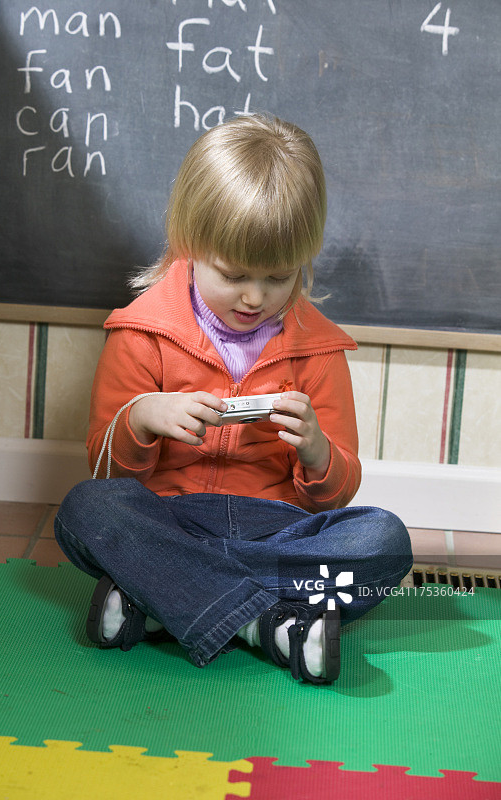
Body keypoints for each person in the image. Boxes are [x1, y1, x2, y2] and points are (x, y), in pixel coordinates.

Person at [55, 113, 412, 685]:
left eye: (278, 278)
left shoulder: (318, 351)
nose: (254, 297)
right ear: (190, 246)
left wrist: (317, 450)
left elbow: (338, 493)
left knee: (384, 541)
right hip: (170, 519)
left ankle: (162, 596)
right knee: (84, 510)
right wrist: (142, 418)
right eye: (234, 274)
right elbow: (105, 471)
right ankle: (271, 620)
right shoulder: (142, 333)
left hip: (277, 529)